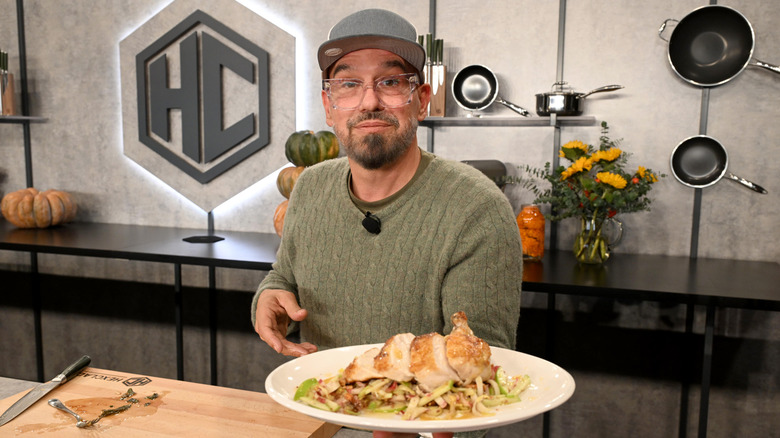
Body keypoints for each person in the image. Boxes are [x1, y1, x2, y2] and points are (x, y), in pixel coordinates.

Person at [252, 8, 523, 438]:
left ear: (421, 98)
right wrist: (268, 297)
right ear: (329, 105)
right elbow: (283, 277)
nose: (369, 101)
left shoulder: (476, 207)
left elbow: (484, 364)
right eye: (348, 84)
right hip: (316, 421)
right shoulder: (310, 188)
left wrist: (419, 426)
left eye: (391, 82)